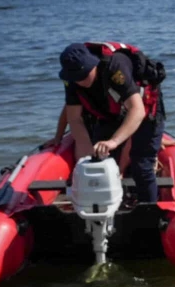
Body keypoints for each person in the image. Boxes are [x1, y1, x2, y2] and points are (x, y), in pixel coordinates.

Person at [57, 41, 166, 202]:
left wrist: (114, 141)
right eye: (76, 78)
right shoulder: (71, 79)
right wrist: (87, 149)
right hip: (108, 110)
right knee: (97, 160)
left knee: (141, 165)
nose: (81, 81)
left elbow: (138, 110)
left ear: (93, 64)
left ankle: (148, 211)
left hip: (144, 107)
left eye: (85, 75)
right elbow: (74, 118)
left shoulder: (114, 67)